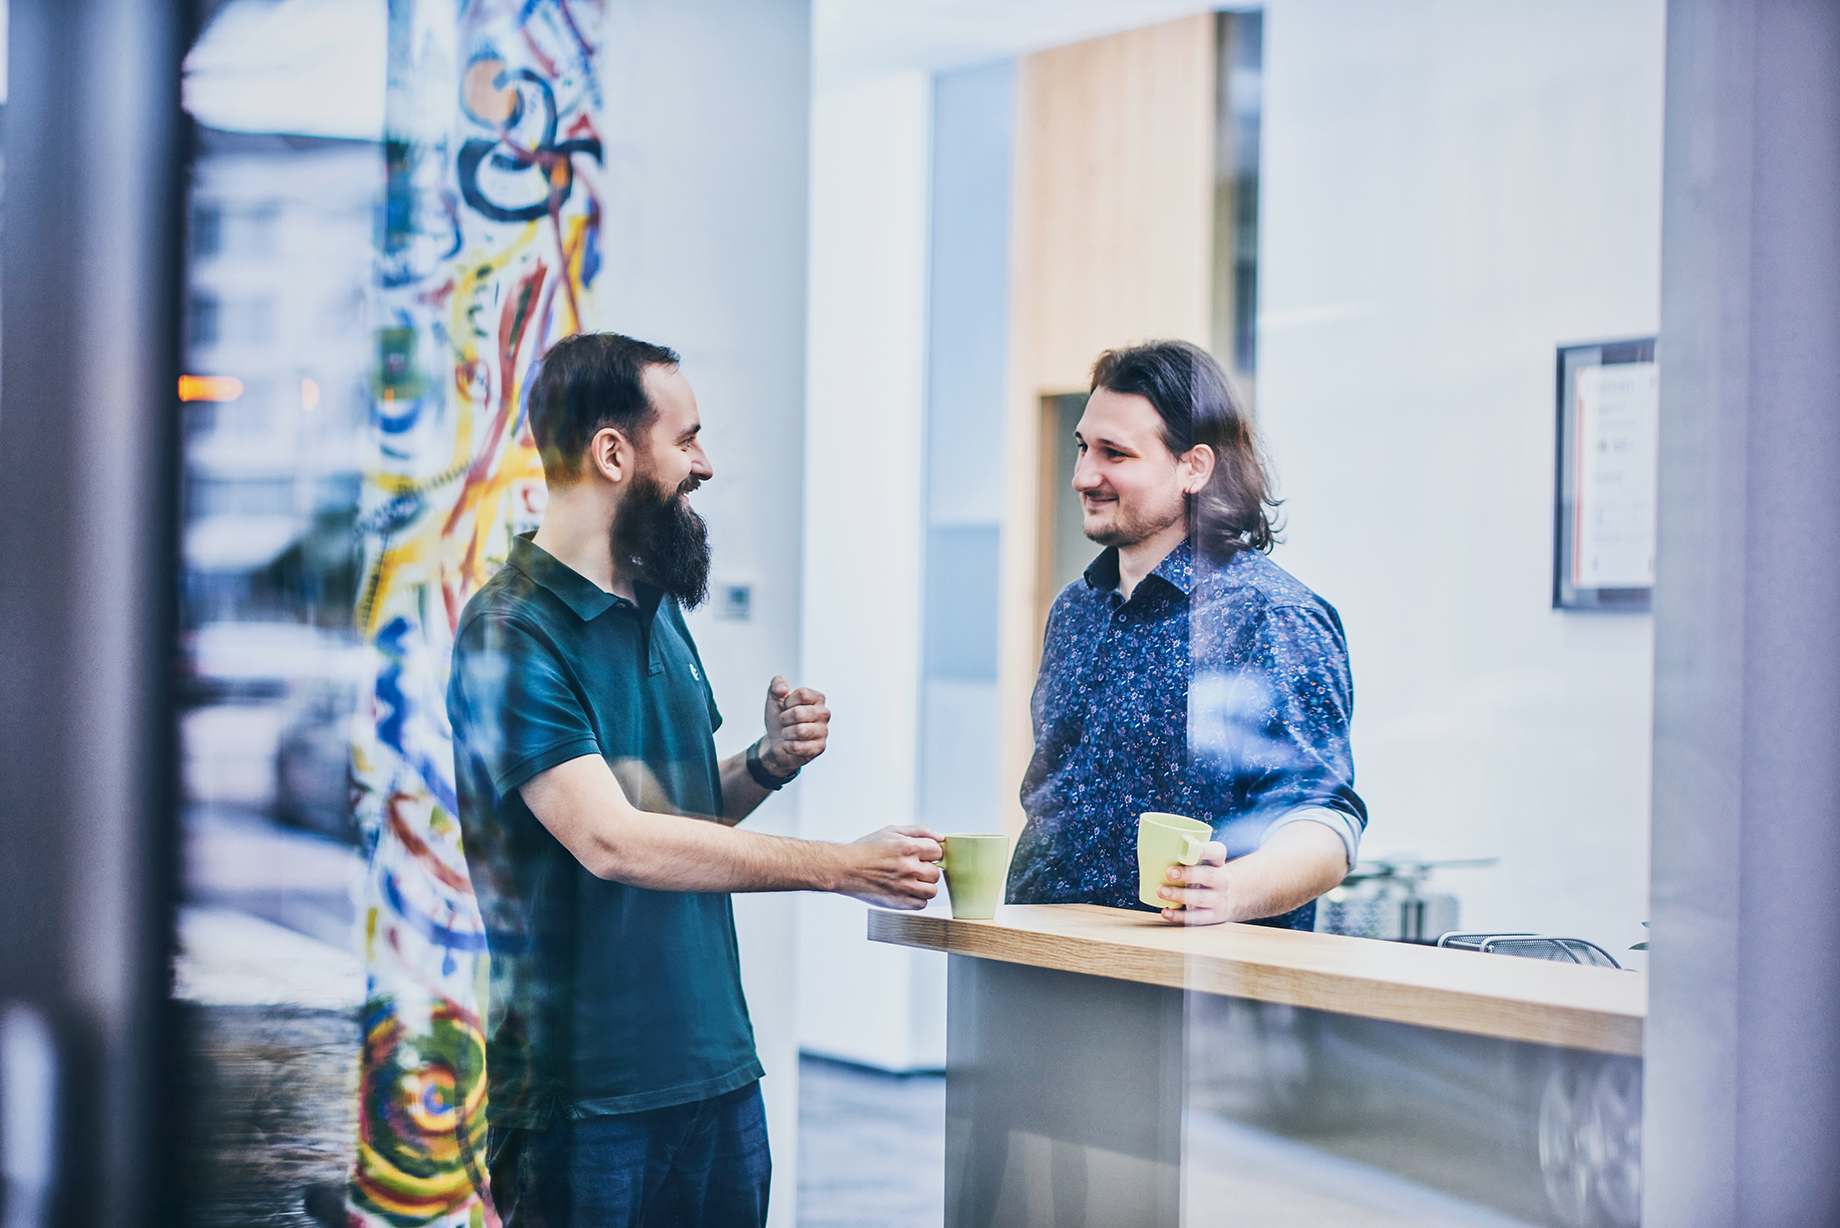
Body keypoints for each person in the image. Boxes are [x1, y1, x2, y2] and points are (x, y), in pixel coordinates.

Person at [447, 332, 943, 1227]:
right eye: (687, 440)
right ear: (612, 452)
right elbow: (609, 839)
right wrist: (841, 867)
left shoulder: (658, 606)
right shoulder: (511, 632)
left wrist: (765, 761)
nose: (704, 465)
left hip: (716, 1077)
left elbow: (675, 811)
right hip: (579, 1104)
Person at [1005, 339, 1366, 928]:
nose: (1082, 476)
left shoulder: (1269, 614)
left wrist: (1230, 892)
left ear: (1193, 466)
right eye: (1083, 447)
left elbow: (1323, 824)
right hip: (1046, 971)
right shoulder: (1076, 610)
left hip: (1196, 994)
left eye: (1114, 454)